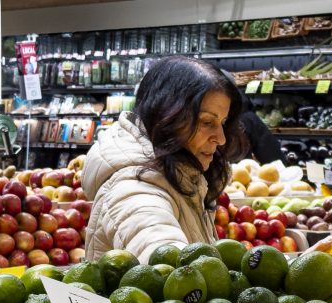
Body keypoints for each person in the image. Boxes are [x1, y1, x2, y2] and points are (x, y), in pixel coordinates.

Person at [81, 56, 248, 263]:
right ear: (167, 116)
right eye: (207, 122)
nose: (221, 138)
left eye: (222, 122)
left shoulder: (184, 175)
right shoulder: (133, 190)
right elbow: (165, 258)